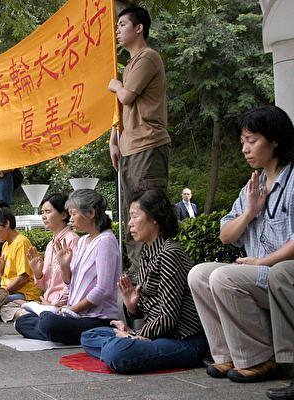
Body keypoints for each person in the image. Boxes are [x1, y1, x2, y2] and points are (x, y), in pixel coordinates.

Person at [188, 105, 294, 383]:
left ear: (275, 140)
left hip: (280, 274)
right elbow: (226, 235)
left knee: (224, 276)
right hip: (256, 274)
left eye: (252, 140)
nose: (245, 149)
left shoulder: (293, 180)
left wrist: (261, 261)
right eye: (243, 143)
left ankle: (259, 357)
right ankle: (228, 355)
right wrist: (250, 212)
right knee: (199, 274)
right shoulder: (252, 185)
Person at [81, 189, 208, 373]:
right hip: (158, 336)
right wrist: (132, 307)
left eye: (134, 216)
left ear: (154, 217)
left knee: (116, 352)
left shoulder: (169, 254)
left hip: (183, 340)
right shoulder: (148, 253)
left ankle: (123, 344)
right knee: (88, 335)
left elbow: (168, 317)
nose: (130, 224)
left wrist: (134, 336)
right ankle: (125, 343)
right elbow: (149, 310)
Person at [108, 6, 170, 272]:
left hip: (149, 143)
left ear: (139, 28)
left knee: (149, 214)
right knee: (131, 216)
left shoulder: (148, 58)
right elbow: (122, 109)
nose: (118, 30)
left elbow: (126, 97)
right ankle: (136, 274)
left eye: (122, 25)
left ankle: (155, 274)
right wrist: (113, 139)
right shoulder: (130, 65)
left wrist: (114, 85)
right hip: (129, 146)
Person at [15, 190, 119, 344]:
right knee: (23, 321)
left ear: (91, 213)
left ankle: (61, 330)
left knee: (49, 323)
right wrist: (64, 267)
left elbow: (103, 289)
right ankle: (57, 330)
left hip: (96, 318)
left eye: (74, 213)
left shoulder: (106, 241)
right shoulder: (83, 241)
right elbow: (71, 285)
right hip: (73, 314)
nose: (71, 218)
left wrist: (71, 309)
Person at [0, 207, 42, 302]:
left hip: (25, 294)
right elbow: (2, 280)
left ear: (7, 224)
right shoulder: (5, 245)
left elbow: (23, 278)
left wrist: (0, 294)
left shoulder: (21, 242)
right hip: (10, 292)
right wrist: (0, 270)